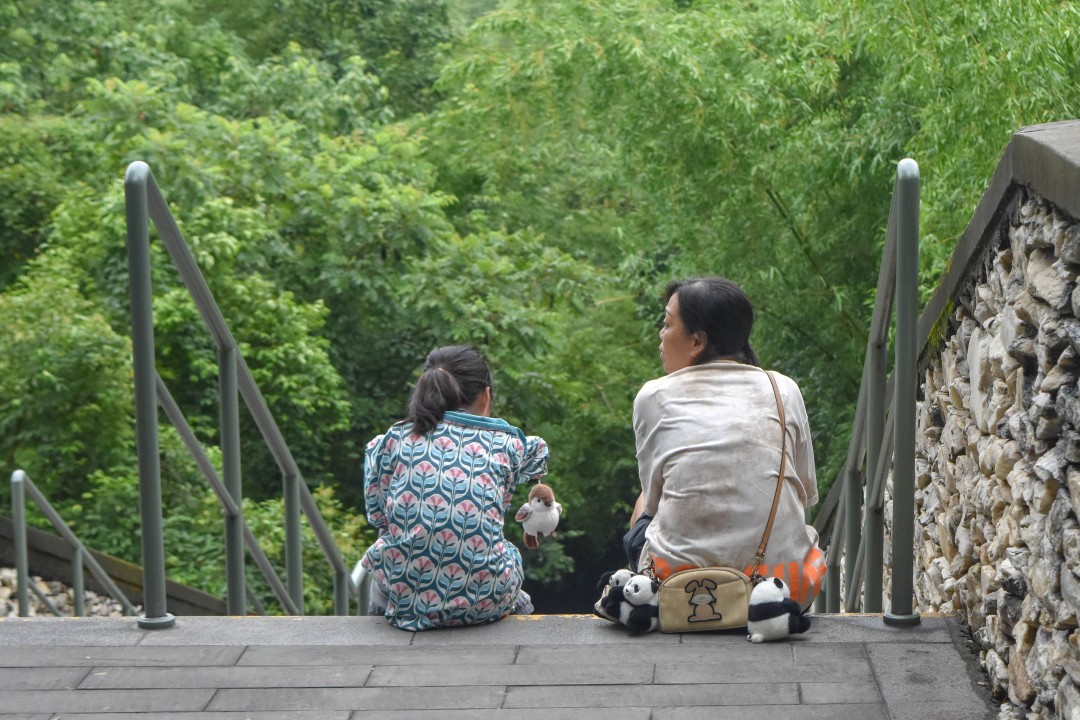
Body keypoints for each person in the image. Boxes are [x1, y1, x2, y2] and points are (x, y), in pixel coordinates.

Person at [625, 276, 825, 608]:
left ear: (697, 342)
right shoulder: (783, 389)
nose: (661, 335)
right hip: (784, 591)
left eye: (667, 324)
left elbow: (654, 505)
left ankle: (643, 594)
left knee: (645, 500)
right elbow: (804, 494)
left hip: (680, 596)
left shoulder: (653, 396)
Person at [360, 345, 548, 631]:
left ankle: (376, 641)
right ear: (485, 396)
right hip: (486, 599)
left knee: (383, 570)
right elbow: (539, 453)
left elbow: (376, 516)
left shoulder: (391, 440)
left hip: (406, 598)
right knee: (510, 580)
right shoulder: (505, 443)